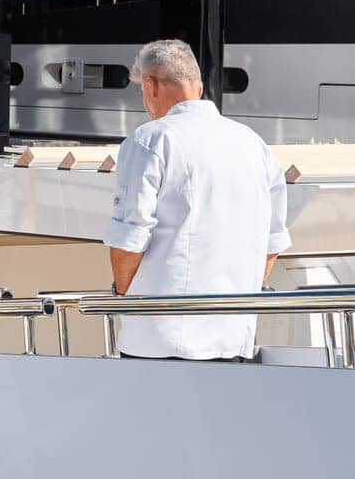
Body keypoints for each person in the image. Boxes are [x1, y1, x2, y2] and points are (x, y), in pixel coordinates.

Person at [104, 39, 291, 360]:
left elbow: (128, 239)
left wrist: (125, 296)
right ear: (199, 85)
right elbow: (272, 244)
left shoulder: (150, 139)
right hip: (233, 335)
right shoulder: (252, 143)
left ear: (150, 85)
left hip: (159, 338)